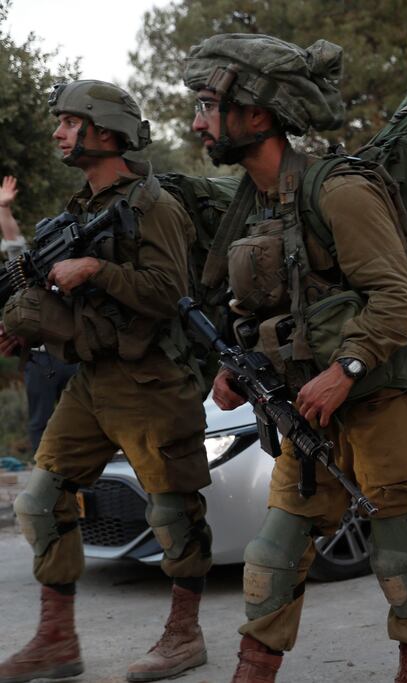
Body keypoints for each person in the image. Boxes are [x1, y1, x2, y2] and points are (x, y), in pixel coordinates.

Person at [184, 34, 407, 682]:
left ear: (259, 114)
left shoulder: (339, 191)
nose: (197, 120)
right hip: (304, 408)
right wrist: (235, 367)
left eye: (209, 104)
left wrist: (345, 368)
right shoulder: (253, 206)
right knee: (272, 552)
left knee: (397, 548)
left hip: (378, 398)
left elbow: (397, 297)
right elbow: (260, 309)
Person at [0, 80, 212, 682]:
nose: (59, 133)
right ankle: (56, 639)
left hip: (151, 379)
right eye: (60, 123)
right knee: (40, 501)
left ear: (105, 129)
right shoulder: (77, 211)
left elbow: (171, 292)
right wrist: (27, 328)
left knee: (173, 513)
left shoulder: (155, 206)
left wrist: (97, 267)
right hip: (91, 380)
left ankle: (183, 635)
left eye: (69, 122)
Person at [0, 176, 79, 456]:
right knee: (40, 424)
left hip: (76, 355)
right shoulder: (33, 268)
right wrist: (5, 209)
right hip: (40, 357)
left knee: (85, 420)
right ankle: (42, 477)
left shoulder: (78, 265)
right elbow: (13, 246)